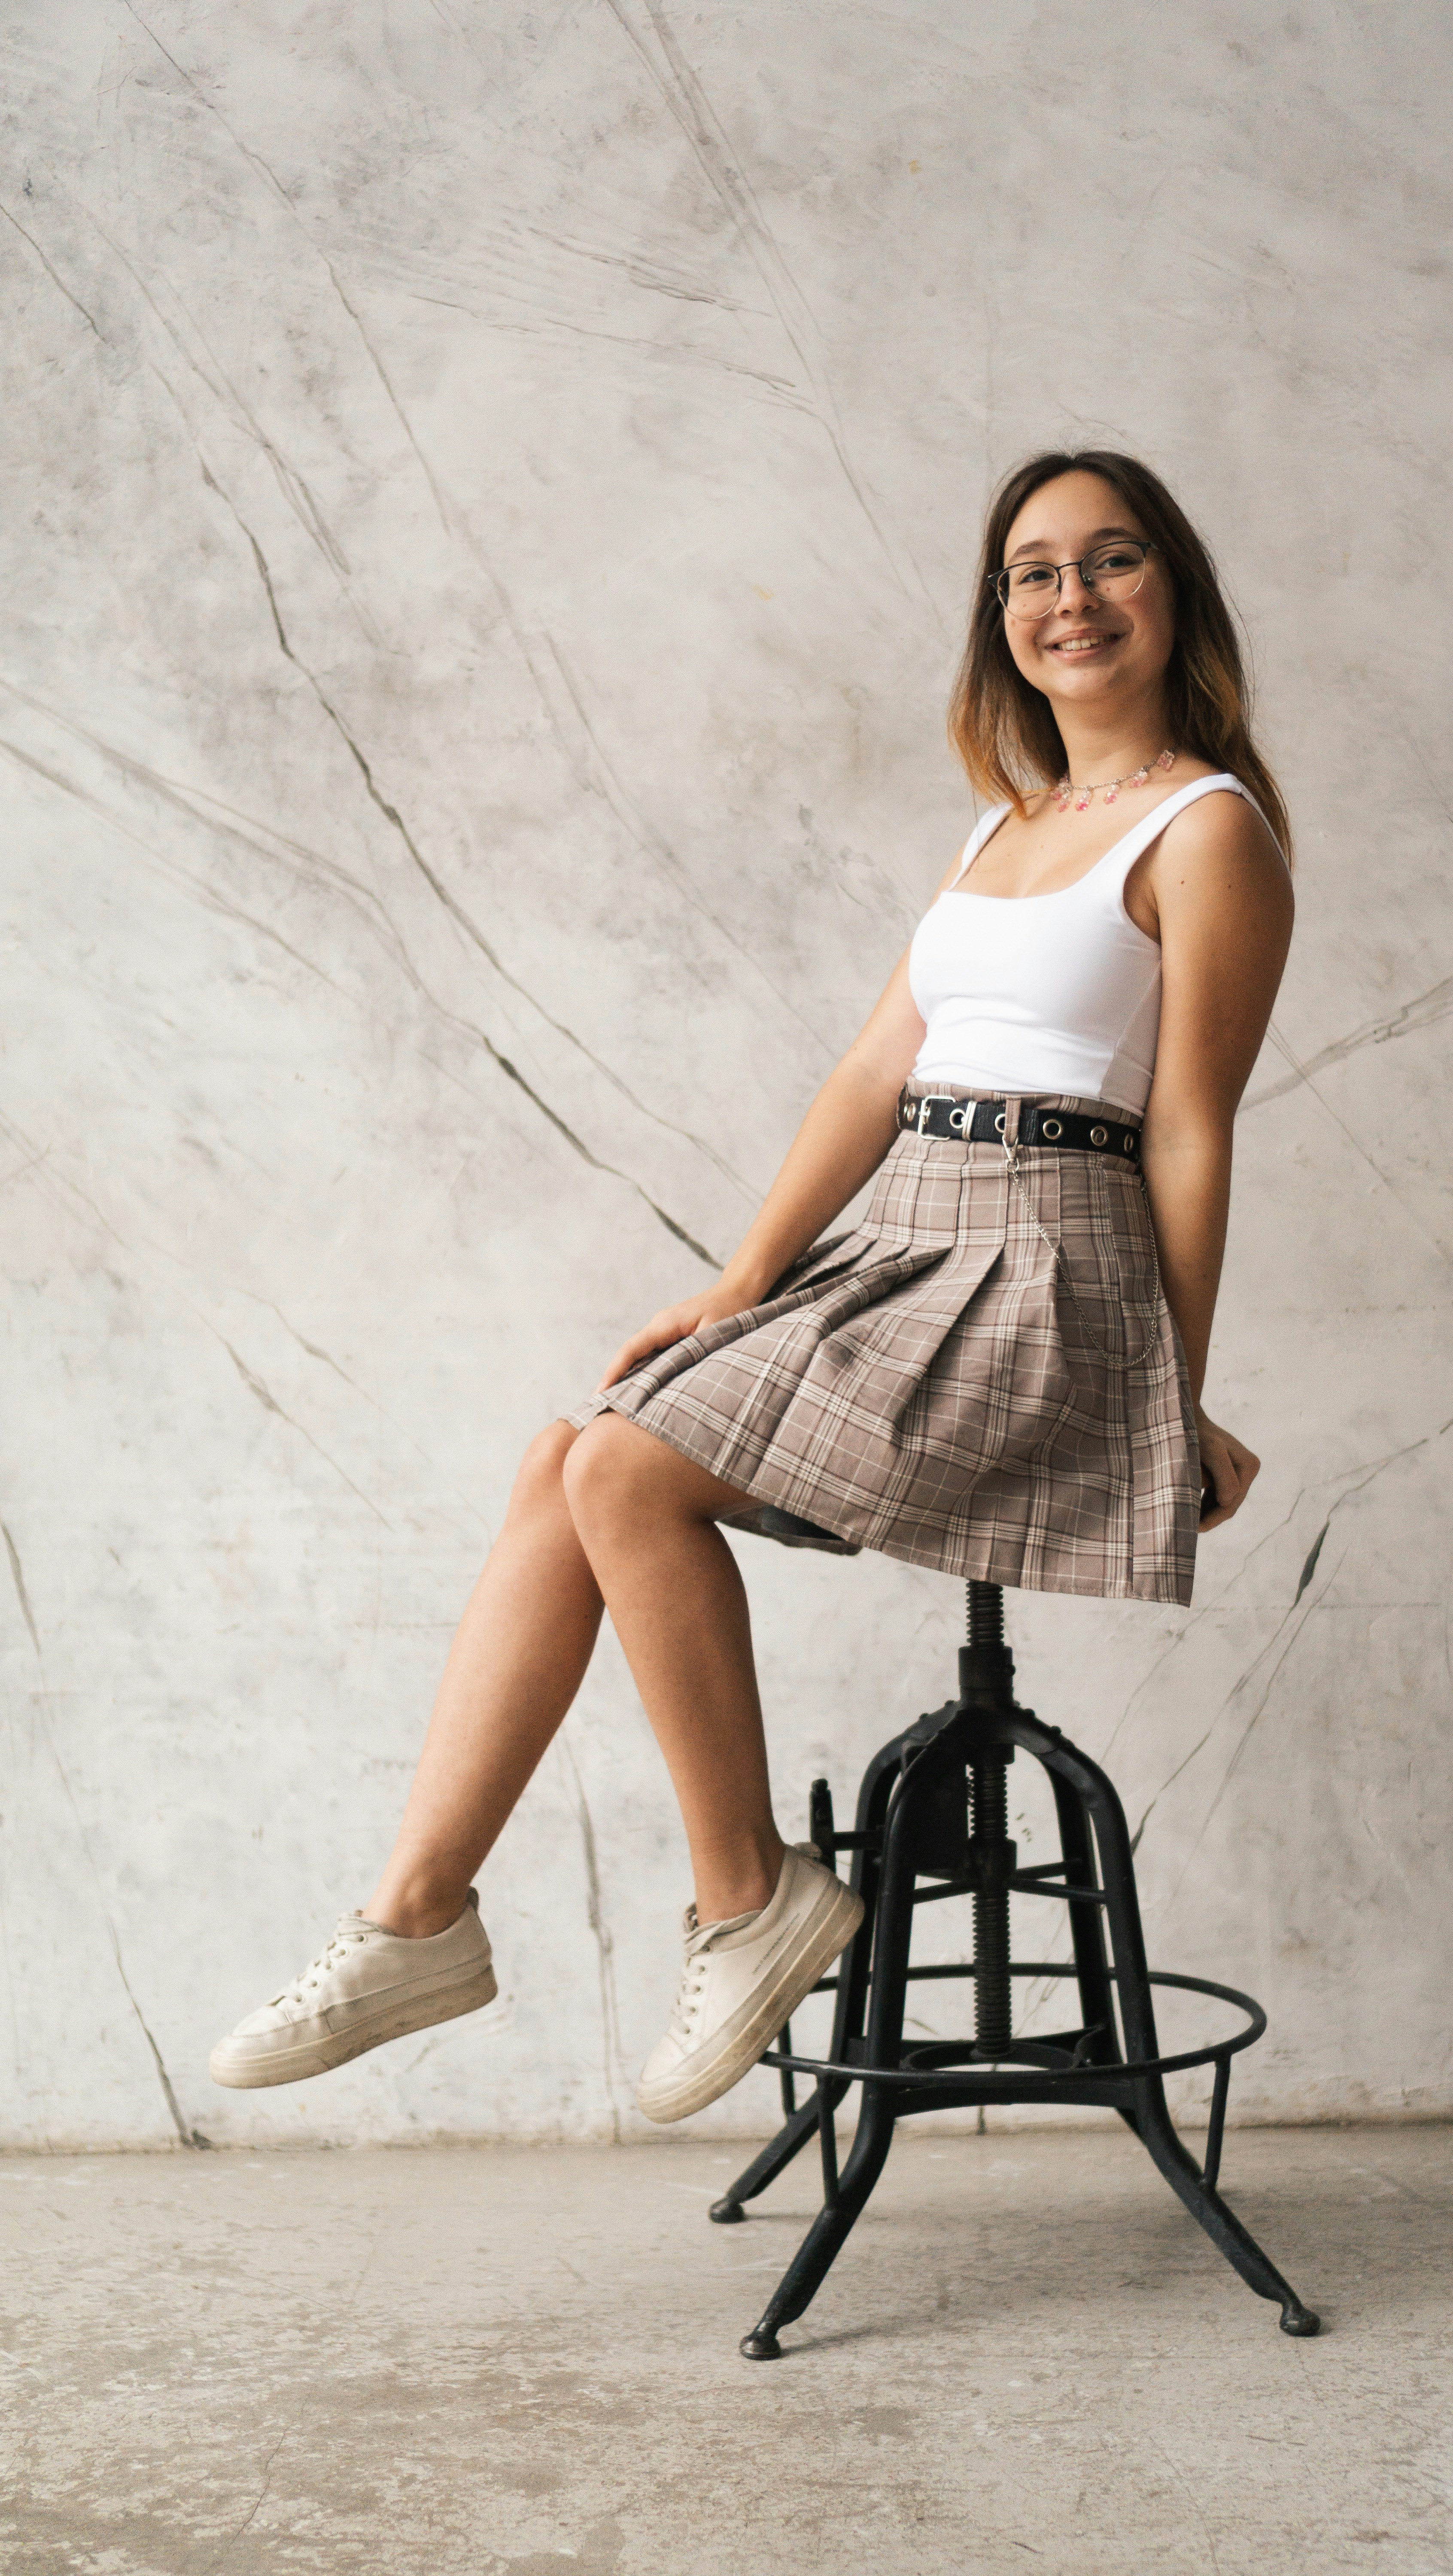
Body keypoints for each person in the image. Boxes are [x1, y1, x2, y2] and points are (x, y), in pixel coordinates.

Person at [209, 448, 1295, 2125]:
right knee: (566, 1457)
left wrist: (1172, 1390)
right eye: (1032, 572)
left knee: (627, 1472)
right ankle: (414, 1915)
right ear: (997, 620)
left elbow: (1193, 1132)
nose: (1070, 598)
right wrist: (737, 1282)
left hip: (1045, 1270)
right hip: (905, 1242)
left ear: (1175, 593)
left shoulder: (1204, 826)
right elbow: (877, 1071)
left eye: (1112, 560)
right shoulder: (1003, 827)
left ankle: (751, 1900)